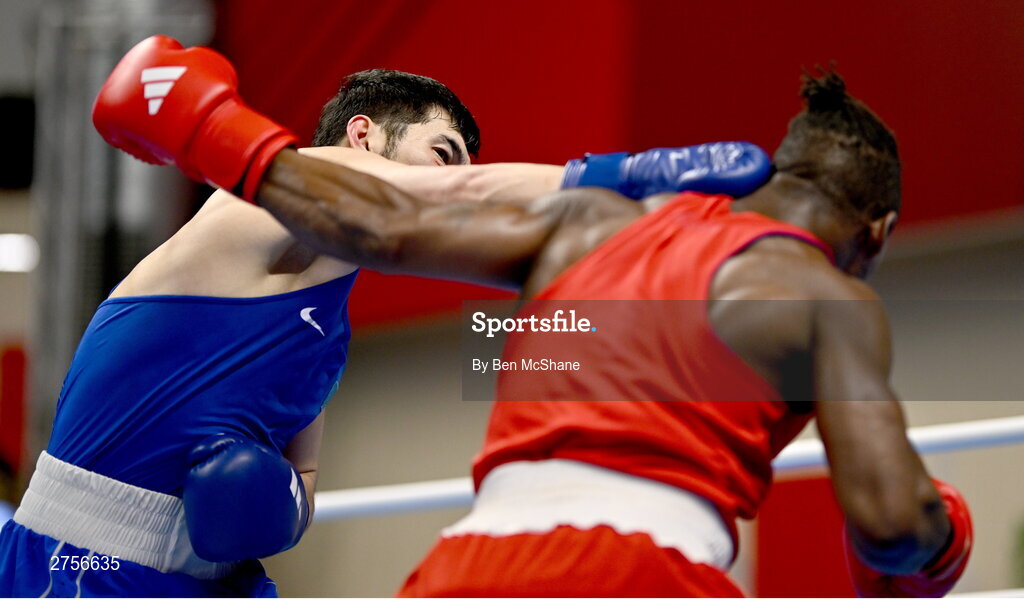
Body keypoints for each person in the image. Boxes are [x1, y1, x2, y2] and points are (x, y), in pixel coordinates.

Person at [89, 37, 974, 597]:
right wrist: (936, 539)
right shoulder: (826, 295)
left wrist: (209, 126)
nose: (455, 171)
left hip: (464, 570)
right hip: (645, 571)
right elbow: (894, 530)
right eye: (442, 151)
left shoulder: (586, 226)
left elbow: (399, 222)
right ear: (879, 232)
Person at [0, 36, 770, 598]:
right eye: (444, 150)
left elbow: (303, 477)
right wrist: (633, 175)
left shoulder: (327, 326)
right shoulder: (275, 194)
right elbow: (448, 202)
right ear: (365, 134)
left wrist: (277, 504)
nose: (460, 176)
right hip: (76, 567)